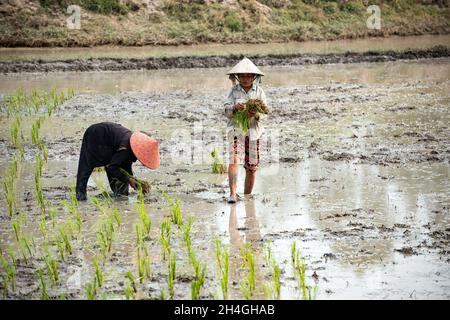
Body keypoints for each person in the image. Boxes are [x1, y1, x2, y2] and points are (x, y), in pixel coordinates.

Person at [75, 122, 160, 201]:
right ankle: (80, 197)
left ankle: (119, 195)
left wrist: (134, 180)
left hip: (109, 141)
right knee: (86, 167)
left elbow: (126, 166)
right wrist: (129, 180)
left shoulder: (130, 147)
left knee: (122, 191)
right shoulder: (125, 148)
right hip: (95, 136)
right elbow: (112, 167)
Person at [224, 57, 268, 203]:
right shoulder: (233, 92)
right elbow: (225, 111)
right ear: (238, 77)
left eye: (248, 75)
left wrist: (254, 114)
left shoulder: (259, 92)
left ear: (254, 77)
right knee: (234, 160)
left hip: (254, 133)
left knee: (251, 167)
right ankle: (232, 194)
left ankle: (247, 196)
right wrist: (234, 108)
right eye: (242, 75)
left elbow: (264, 114)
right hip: (236, 131)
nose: (245, 78)